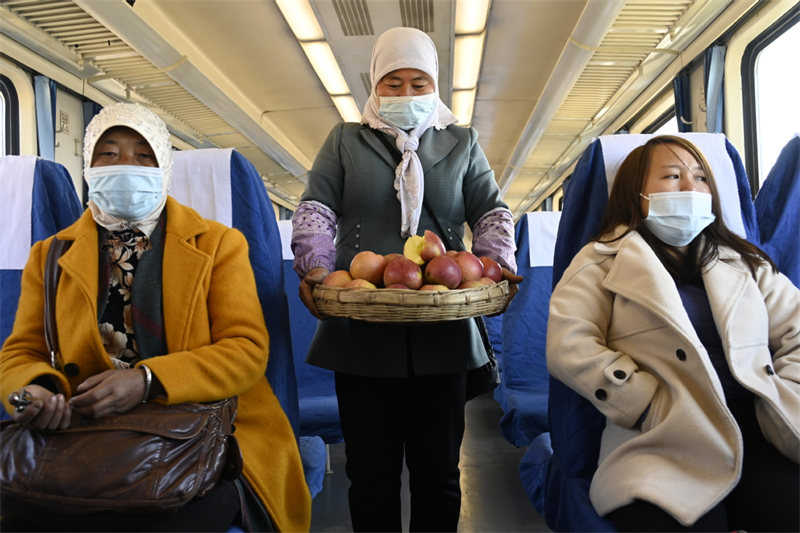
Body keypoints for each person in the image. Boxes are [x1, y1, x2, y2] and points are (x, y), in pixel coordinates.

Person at [0, 103, 311, 532]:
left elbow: (246, 351)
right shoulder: (51, 255)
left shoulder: (219, 244)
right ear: (87, 167)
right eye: (108, 154)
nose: (125, 166)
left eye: (143, 155)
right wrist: (33, 391)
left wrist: (147, 380)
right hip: (85, 435)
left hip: (204, 434)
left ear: (163, 166)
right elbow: (21, 351)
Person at [291, 26, 521, 532]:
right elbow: (316, 208)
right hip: (362, 329)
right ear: (374, 86)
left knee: (438, 474)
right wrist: (315, 266)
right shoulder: (345, 140)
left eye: (419, 83)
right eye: (393, 83)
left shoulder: (462, 142)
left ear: (435, 85)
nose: (407, 94)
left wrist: (494, 264)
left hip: (443, 330)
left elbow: (491, 212)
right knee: (370, 475)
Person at [546, 135, 800, 532]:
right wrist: (644, 402)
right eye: (672, 175)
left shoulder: (744, 260)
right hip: (666, 431)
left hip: (761, 426)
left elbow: (796, 329)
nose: (691, 188)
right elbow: (569, 343)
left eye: (701, 178)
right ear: (637, 192)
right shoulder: (601, 259)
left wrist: (786, 390)